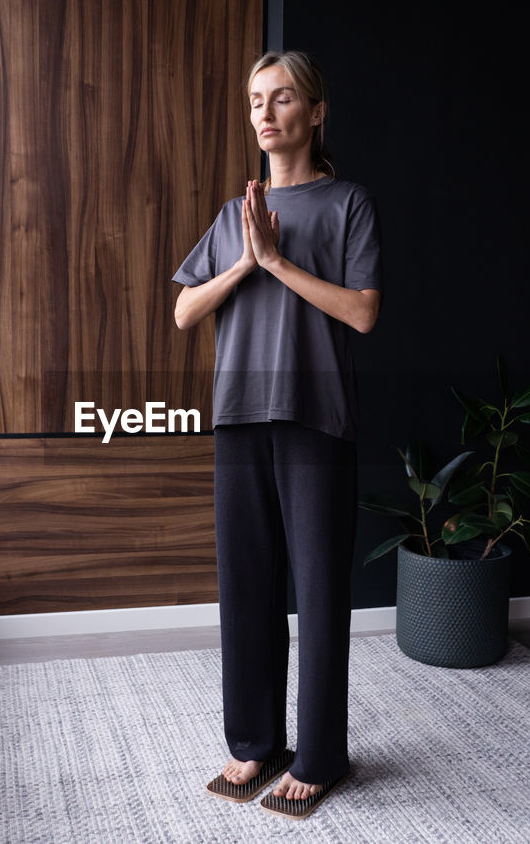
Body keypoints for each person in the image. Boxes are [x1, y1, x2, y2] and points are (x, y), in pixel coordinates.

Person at [172, 49, 382, 818]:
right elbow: (184, 312)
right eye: (256, 99)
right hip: (239, 419)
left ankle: (321, 755)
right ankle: (256, 742)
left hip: (316, 421)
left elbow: (363, 311)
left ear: (315, 112)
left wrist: (277, 261)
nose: (265, 111)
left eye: (282, 97)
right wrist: (243, 264)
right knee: (247, 590)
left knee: (320, 591)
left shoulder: (349, 203)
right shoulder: (237, 213)